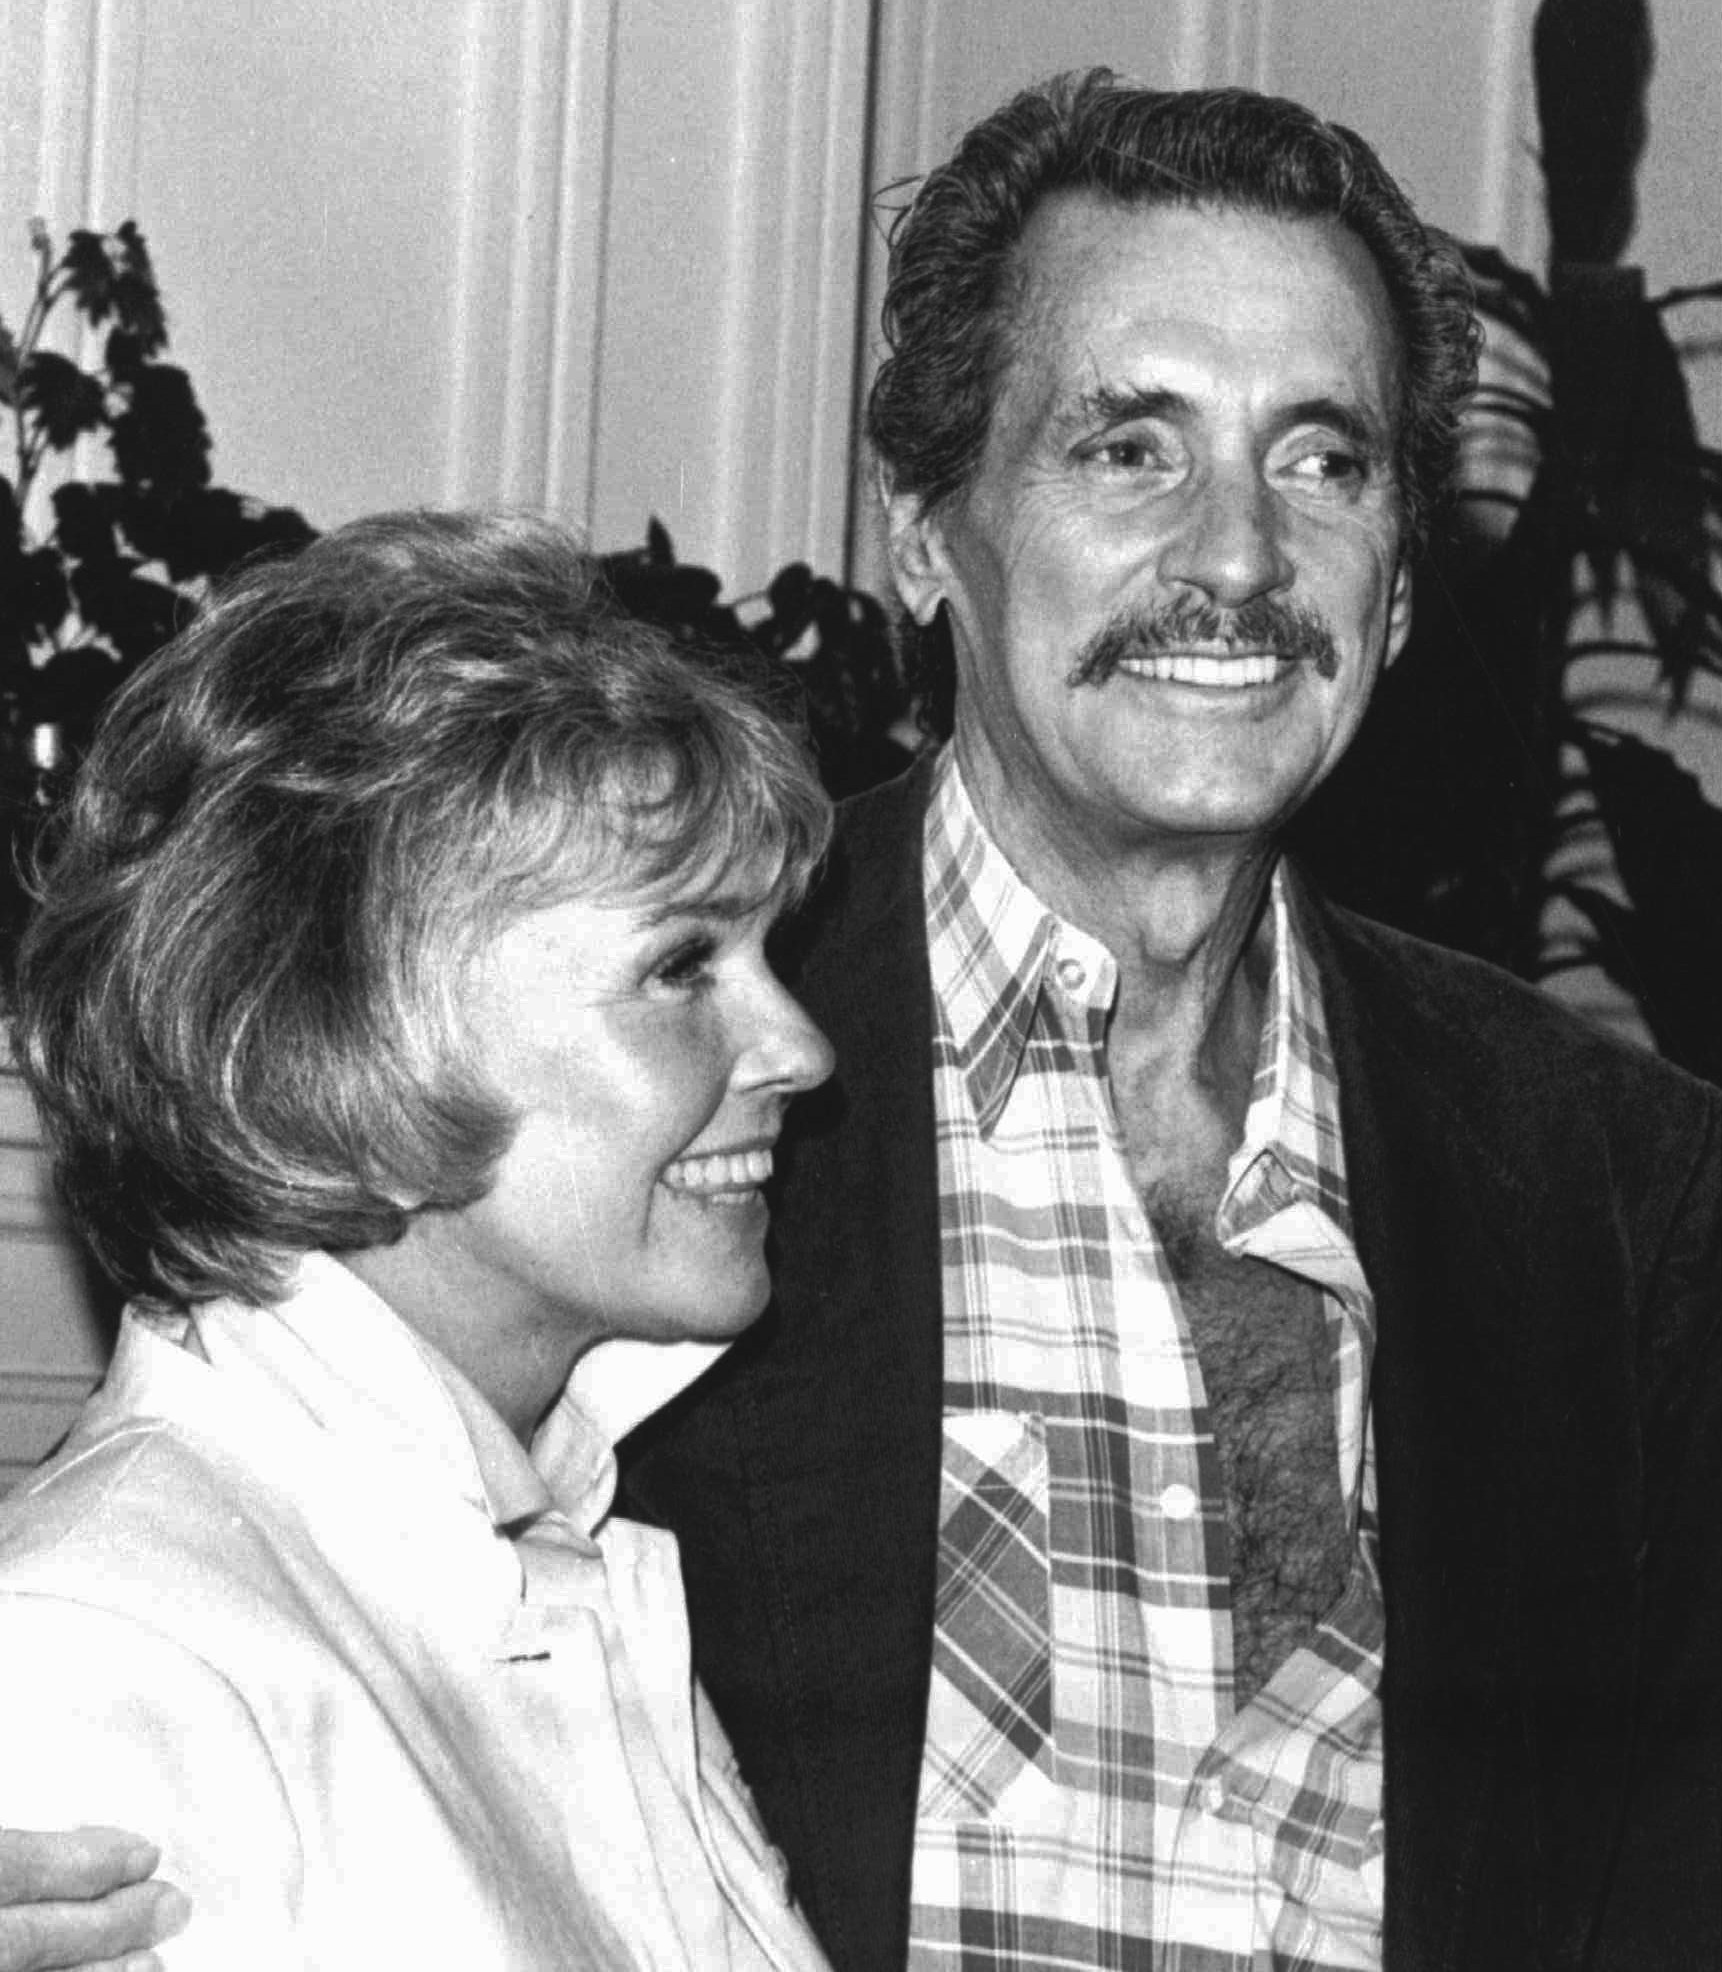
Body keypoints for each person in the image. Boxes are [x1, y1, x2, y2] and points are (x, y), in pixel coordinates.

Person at [8, 68, 1722, 1972]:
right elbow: (239, 1522)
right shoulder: (635, 1078)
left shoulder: (1608, 1180)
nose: (1238, 555)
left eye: (1323, 460)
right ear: (927, 534)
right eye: (1128, 448)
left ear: (1400, 580)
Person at [0, 509, 838, 1970]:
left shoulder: (549, 1560)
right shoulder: (103, 1655)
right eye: (680, 964)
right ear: (346, 1044)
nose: (803, 1047)